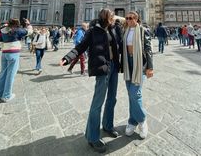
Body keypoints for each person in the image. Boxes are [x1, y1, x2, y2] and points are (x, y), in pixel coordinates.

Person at [60, 9, 122, 153]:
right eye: (112, 16)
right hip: (102, 68)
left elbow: (119, 44)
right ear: (105, 17)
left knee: (112, 98)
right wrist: (67, 57)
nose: (114, 18)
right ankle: (92, 137)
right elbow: (81, 46)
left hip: (113, 66)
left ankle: (107, 125)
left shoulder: (113, 28)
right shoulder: (93, 30)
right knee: (97, 103)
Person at [123, 11, 153, 139]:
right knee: (131, 94)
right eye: (127, 18)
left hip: (139, 63)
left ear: (136, 19)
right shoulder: (125, 31)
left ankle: (142, 120)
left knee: (135, 93)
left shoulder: (142, 30)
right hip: (127, 62)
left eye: (130, 18)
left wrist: (150, 67)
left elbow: (148, 49)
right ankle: (132, 121)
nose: (128, 20)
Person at [0, 18, 32, 102]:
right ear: (17, 23)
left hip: (4, 53)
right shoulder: (17, 30)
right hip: (13, 53)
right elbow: (29, 31)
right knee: (11, 74)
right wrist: (28, 24)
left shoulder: (3, 29)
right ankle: (6, 95)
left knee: (3, 73)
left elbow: (0, 41)